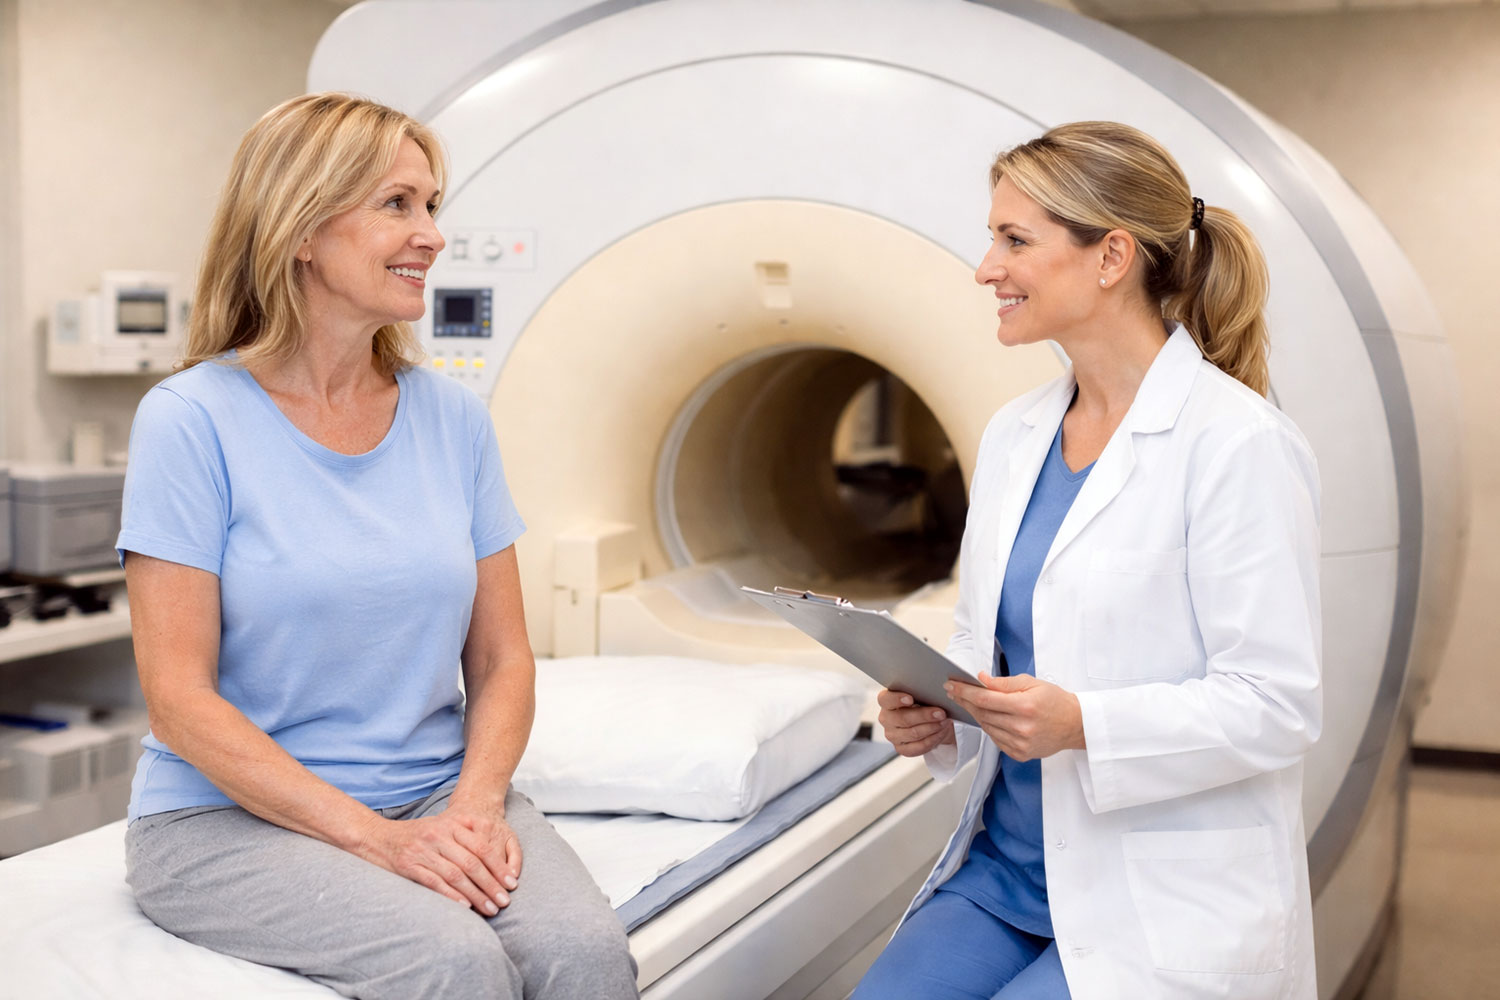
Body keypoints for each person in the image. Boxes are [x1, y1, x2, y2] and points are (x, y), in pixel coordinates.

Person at [116, 94, 640, 1000]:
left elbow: (504, 657)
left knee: (585, 955)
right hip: (224, 821)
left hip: (438, 793)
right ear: (301, 230)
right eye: (398, 204)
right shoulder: (191, 421)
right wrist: (377, 839)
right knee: (452, 964)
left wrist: (473, 808)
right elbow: (178, 701)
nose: (433, 235)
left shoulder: (453, 419)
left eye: (433, 205)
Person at [855, 121, 1322, 1000]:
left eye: (1014, 240)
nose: (986, 267)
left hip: (1160, 899)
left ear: (1111, 257)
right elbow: (988, 649)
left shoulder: (1236, 444)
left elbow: (1278, 705)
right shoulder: (1015, 435)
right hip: (1005, 876)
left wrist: (1084, 724)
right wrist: (941, 711)